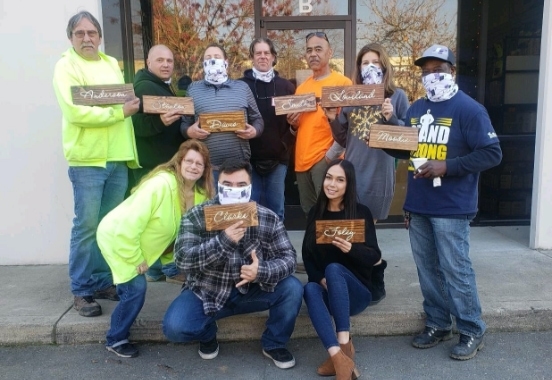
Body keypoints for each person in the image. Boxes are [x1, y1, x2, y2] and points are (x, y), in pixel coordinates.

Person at [383, 44, 502, 360]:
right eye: (425, 71)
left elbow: (492, 153)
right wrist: (383, 143)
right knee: (427, 270)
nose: (431, 76)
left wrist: (446, 166)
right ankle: (438, 323)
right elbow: (410, 151)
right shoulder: (417, 109)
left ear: (452, 71)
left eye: (438, 69)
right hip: (420, 203)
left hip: (452, 205)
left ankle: (471, 329)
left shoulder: (470, 109)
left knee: (455, 269)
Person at [163, 159, 303, 369]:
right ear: (219, 184)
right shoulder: (196, 216)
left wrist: (261, 271)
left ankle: (274, 343)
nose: (234, 190)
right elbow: (183, 259)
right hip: (207, 291)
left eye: (241, 185)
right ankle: (208, 334)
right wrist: (223, 241)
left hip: (253, 291)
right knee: (175, 327)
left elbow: (289, 258)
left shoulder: (267, 217)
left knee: (292, 287)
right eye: (228, 185)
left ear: (250, 187)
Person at [52, 11, 140, 317]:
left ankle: (103, 281)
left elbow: (120, 103)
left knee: (107, 226)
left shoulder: (111, 64)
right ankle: (82, 289)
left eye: (92, 33)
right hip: (88, 160)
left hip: (116, 158)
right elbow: (77, 113)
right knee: (87, 226)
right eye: (80, 34)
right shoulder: (66, 67)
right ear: (71, 38)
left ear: (100, 37)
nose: (87, 38)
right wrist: (119, 113)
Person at [97, 139, 215, 358]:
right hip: (118, 236)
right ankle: (115, 339)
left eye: (199, 164)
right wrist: (135, 259)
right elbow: (129, 224)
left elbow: (180, 234)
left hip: (141, 243)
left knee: (131, 287)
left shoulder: (199, 197)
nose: (193, 166)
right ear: (179, 163)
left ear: (205, 169)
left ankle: (119, 295)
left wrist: (174, 263)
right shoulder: (161, 184)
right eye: (189, 161)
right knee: (135, 289)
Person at [328, 42, 410, 304]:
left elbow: (406, 139)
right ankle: (359, 281)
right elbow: (343, 135)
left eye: (375, 62)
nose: (370, 67)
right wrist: (332, 117)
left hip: (379, 171)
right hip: (353, 170)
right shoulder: (350, 95)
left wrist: (391, 117)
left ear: (384, 66)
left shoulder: (397, 96)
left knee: (366, 232)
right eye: (365, 63)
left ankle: (375, 278)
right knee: (352, 230)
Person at [302, 159, 382, 380]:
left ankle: (344, 344)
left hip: (356, 293)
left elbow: (374, 256)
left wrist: (352, 249)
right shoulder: (315, 213)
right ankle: (338, 356)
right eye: (328, 177)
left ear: (349, 185)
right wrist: (319, 280)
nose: (332, 184)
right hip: (329, 290)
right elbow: (307, 257)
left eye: (339, 180)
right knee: (309, 289)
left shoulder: (361, 212)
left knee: (334, 268)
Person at [131, 44, 187, 284]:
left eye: (170, 61)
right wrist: (161, 123)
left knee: (160, 218)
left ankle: (156, 269)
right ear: (148, 62)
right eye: (160, 60)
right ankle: (164, 269)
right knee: (159, 220)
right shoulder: (143, 87)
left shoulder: (161, 86)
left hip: (163, 166)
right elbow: (136, 127)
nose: (166, 64)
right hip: (152, 167)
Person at [286, 31, 352, 216]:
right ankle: (315, 247)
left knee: (331, 213)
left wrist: (330, 158)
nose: (313, 54)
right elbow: (298, 128)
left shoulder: (343, 83)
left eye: (318, 49)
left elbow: (349, 128)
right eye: (309, 50)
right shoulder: (302, 88)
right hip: (301, 162)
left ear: (329, 52)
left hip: (325, 161)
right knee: (310, 214)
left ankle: (332, 246)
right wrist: (293, 125)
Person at [181, 43, 264, 184]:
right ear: (203, 63)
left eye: (216, 57)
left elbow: (258, 119)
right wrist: (189, 132)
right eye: (208, 57)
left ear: (226, 62)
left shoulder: (242, 88)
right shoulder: (193, 89)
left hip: (239, 167)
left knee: (238, 206)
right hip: (206, 168)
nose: (212, 60)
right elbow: (184, 123)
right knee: (208, 206)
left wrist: (254, 131)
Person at [239, 38, 296, 221]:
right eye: (258, 53)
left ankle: (276, 249)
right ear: (252, 57)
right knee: (250, 212)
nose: (263, 57)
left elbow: (294, 125)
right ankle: (252, 249)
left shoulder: (286, 86)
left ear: (273, 57)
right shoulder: (240, 86)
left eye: (266, 53)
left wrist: (283, 145)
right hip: (249, 161)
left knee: (276, 211)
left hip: (278, 161)